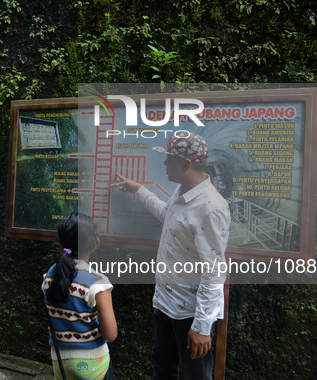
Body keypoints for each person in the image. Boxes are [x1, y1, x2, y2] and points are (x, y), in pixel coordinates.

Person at [111, 133, 230, 380]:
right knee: (163, 368)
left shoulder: (211, 208)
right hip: (165, 302)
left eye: (169, 159)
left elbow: (215, 271)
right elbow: (169, 216)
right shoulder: (182, 190)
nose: (165, 164)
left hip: (190, 312)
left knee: (195, 375)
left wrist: (201, 327)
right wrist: (140, 190)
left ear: (186, 164)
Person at [41, 212, 117, 380]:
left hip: (60, 361)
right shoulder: (98, 283)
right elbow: (110, 334)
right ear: (95, 244)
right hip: (94, 364)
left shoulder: (49, 277)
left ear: (60, 242)